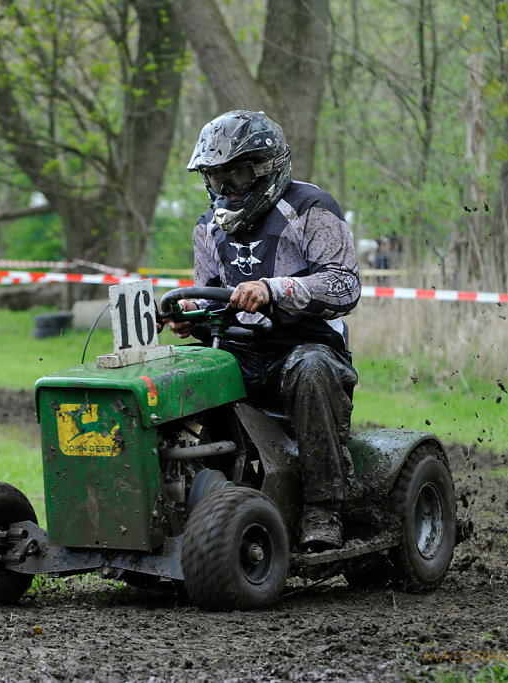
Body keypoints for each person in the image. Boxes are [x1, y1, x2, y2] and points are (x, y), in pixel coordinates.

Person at [167, 110, 361, 551]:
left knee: (310, 368)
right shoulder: (207, 227)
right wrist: (187, 312)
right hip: (236, 349)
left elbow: (344, 284)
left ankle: (323, 509)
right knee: (176, 374)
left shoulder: (313, 209)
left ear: (265, 169)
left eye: (235, 176)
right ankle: (179, 496)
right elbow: (209, 291)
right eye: (216, 179)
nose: (226, 190)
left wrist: (274, 289)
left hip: (307, 346)